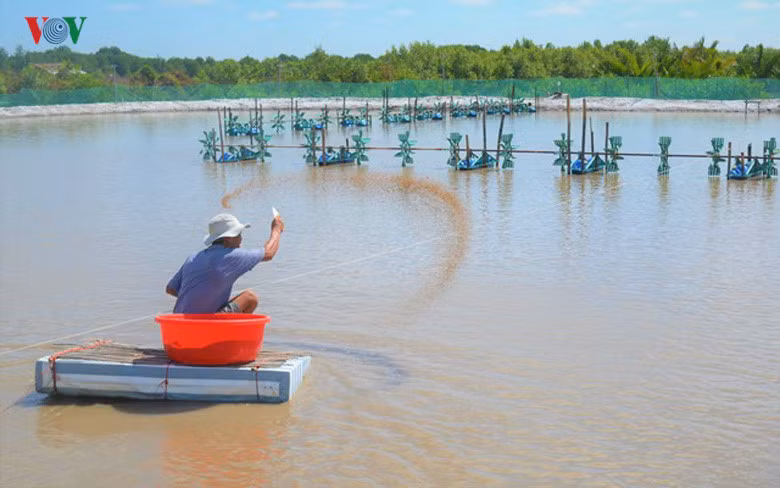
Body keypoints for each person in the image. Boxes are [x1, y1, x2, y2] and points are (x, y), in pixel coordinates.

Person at [166, 212, 284, 314]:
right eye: (239, 234)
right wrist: (276, 229)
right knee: (250, 297)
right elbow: (269, 253)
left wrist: (199, 301)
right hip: (206, 324)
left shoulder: (192, 258)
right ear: (229, 238)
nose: (241, 239)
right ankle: (232, 338)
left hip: (179, 322)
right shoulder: (231, 256)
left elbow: (171, 288)